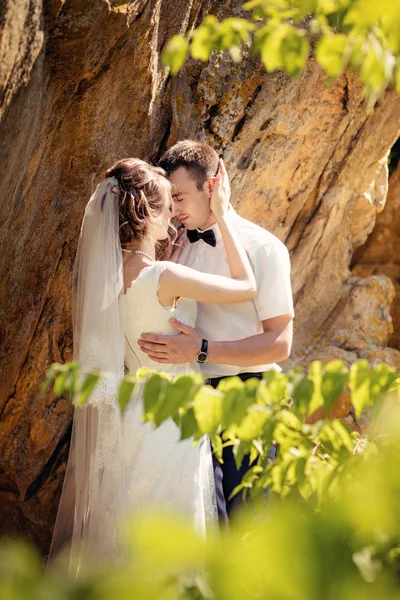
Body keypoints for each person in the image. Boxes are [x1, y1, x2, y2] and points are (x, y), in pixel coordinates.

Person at [47, 157, 256, 575]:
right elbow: (247, 287)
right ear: (146, 213)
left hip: (129, 416)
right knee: (172, 544)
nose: (173, 217)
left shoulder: (107, 278)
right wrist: (223, 215)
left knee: (128, 535)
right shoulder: (164, 275)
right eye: (165, 207)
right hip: (171, 420)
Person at [138, 140, 294, 527]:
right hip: (188, 406)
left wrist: (203, 350)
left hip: (248, 398)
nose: (173, 210)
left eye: (179, 197)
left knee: (247, 524)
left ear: (211, 186)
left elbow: (280, 344)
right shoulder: (173, 251)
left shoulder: (264, 248)